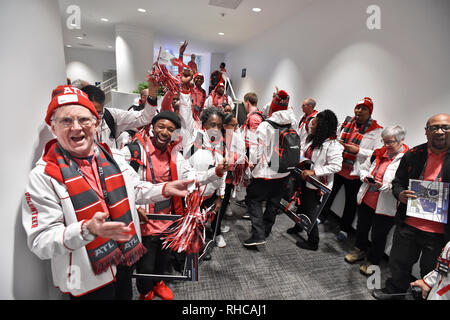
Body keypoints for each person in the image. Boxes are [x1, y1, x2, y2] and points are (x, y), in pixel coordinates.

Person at [21, 85, 193, 300]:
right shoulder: (45, 176)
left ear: (95, 123)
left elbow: (135, 188)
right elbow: (41, 242)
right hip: (86, 277)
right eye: (66, 120)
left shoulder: (112, 156)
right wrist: (85, 230)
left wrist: (164, 189)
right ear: (53, 128)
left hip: (123, 260)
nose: (76, 127)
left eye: (84, 119)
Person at [123, 109, 226, 300]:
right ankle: (145, 292)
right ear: (152, 127)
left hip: (168, 220)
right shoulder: (133, 151)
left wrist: (216, 173)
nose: (165, 132)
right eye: (161, 126)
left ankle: (159, 283)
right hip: (144, 221)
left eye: (170, 129)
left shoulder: (176, 156)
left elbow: (193, 179)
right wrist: (135, 207)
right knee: (145, 264)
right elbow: (122, 184)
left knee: (163, 258)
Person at [372, 113, 450, 300]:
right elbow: (398, 182)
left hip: (440, 232)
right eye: (434, 127)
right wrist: (400, 193)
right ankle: (393, 292)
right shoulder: (414, 154)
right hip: (409, 224)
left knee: (431, 272)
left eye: (445, 127)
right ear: (426, 132)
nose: (440, 131)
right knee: (398, 263)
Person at [344, 125, 409, 275]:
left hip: (387, 205)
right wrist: (365, 177)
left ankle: (373, 262)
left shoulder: (407, 159)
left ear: (401, 140)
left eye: (390, 142)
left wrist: (383, 186)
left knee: (378, 236)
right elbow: (364, 168)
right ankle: (359, 251)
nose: (386, 146)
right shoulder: (379, 153)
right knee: (362, 228)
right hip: (367, 198)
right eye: (384, 141)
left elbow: (401, 185)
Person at [319, 97, 383, 241]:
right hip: (339, 168)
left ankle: (344, 228)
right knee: (328, 194)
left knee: (351, 203)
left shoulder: (377, 130)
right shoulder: (346, 123)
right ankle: (321, 216)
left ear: (370, 111)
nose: (359, 111)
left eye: (364, 108)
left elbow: (377, 153)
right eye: (358, 107)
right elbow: (334, 138)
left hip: (355, 173)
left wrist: (358, 150)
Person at [243, 89, 299, 247]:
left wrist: (252, 168)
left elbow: (255, 151)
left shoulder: (264, 125)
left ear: (273, 107)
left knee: (253, 199)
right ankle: (266, 230)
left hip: (266, 172)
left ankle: (258, 234)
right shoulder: (293, 122)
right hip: (285, 171)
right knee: (273, 203)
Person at [286, 110, 344, 251]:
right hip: (305, 178)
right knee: (302, 204)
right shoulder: (314, 139)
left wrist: (314, 171)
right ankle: (299, 226)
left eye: (315, 124)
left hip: (317, 183)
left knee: (310, 210)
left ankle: (313, 241)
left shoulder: (333, 145)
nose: (311, 126)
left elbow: (336, 166)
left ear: (322, 126)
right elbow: (305, 152)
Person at [81, 83, 158, 149]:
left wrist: (152, 96)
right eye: (89, 112)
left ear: (103, 105)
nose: (95, 118)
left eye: (98, 112)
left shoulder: (111, 116)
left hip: (110, 165)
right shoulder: (72, 127)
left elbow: (145, 117)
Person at [213, 113, 246, 247]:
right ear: (225, 126)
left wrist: (234, 158)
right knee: (216, 206)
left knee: (223, 204)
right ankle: (215, 232)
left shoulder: (235, 137)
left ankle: (217, 229)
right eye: (234, 125)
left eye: (237, 124)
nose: (237, 127)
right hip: (217, 177)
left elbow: (241, 153)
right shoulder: (216, 137)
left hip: (229, 177)